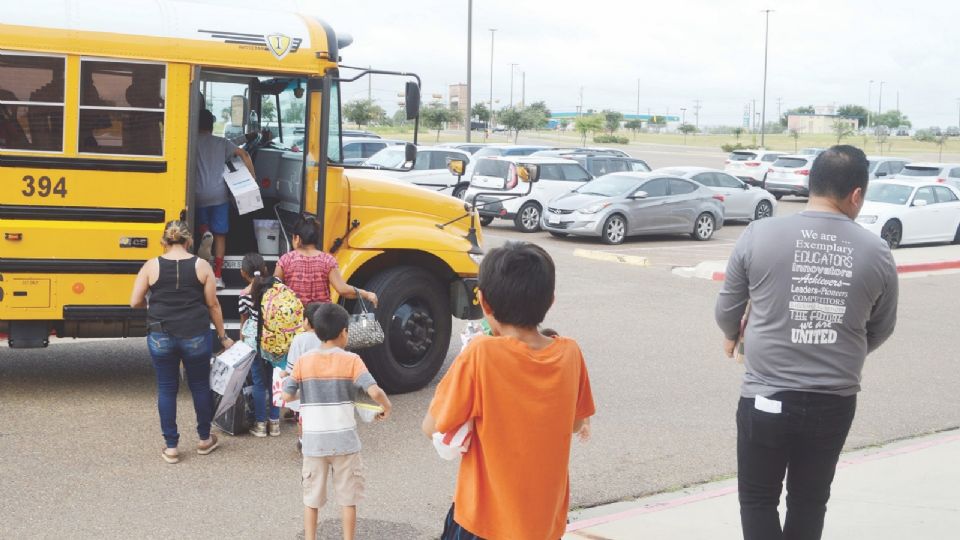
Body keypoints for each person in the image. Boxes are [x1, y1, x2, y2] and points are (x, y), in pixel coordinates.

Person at [715, 145, 899, 540]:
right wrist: (838, 349)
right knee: (810, 501)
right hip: (833, 402)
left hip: (765, 397)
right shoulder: (877, 251)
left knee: (759, 500)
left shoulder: (759, 233)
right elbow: (882, 327)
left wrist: (734, 334)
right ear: (856, 195)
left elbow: (726, 308)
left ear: (810, 183)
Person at [421, 242, 596, 540]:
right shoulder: (570, 354)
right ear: (550, 301)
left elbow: (432, 426)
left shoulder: (481, 354)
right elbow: (576, 422)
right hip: (542, 523)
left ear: (484, 303)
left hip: (482, 522)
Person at [282, 304, 392, 540]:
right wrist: (386, 406)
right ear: (343, 332)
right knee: (348, 500)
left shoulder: (303, 361)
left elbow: (287, 395)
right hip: (345, 443)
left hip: (313, 443)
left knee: (311, 499)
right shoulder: (352, 360)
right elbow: (373, 391)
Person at [130, 220, 234, 463]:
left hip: (160, 335)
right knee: (199, 386)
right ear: (189, 241)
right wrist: (223, 336)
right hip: (195, 334)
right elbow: (213, 305)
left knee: (167, 389)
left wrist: (155, 306)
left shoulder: (151, 266)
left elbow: (134, 301)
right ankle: (204, 439)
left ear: (163, 242)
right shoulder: (202, 266)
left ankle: (172, 446)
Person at [195, 107, 255, 288]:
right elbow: (243, 154)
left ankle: (204, 231)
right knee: (220, 234)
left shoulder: (190, 141)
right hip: (219, 195)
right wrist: (252, 180)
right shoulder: (222, 143)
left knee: (199, 226)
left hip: (197, 195)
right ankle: (218, 276)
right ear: (211, 126)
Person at [274, 215, 378, 307]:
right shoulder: (327, 260)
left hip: (294, 319)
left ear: (297, 238)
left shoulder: (285, 260)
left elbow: (274, 289)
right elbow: (342, 289)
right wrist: (366, 294)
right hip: (321, 319)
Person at [238, 252, 281, 437]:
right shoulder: (277, 287)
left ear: (243, 273)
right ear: (265, 268)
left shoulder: (245, 294)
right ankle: (275, 422)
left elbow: (244, 321)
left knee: (258, 381)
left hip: (255, 342)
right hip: (274, 339)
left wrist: (242, 341)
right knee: (274, 380)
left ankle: (261, 424)